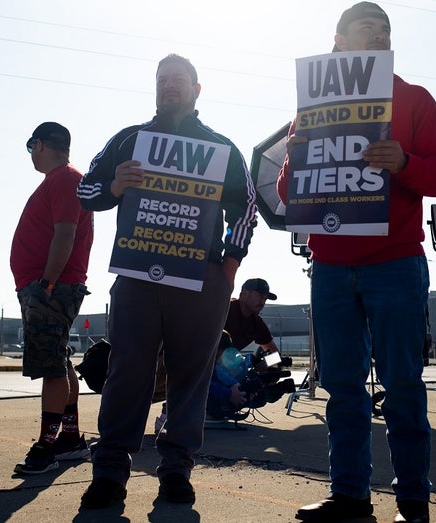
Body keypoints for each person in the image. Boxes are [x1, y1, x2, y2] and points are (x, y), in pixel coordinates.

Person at [277, 4, 436, 522]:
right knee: (343, 388)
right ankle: (349, 495)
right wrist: (298, 152)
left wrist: (403, 161)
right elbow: (290, 192)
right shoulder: (312, 105)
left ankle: (413, 503)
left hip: (396, 262)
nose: (377, 34)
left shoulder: (415, 99)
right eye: (365, 28)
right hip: (330, 265)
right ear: (338, 40)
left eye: (385, 30)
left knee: (403, 385)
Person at [76, 53, 256, 508]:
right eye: (162, 80)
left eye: (178, 80)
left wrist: (230, 262)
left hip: (200, 282)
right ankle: (110, 470)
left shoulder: (221, 148)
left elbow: (247, 208)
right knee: (126, 372)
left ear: (197, 89)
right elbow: (86, 191)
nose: (169, 86)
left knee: (190, 378)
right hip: (137, 278)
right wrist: (115, 187)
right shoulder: (129, 140)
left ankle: (176, 468)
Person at [10, 122, 94, 475]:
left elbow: (65, 233)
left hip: (52, 287)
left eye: (32, 146)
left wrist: (46, 283)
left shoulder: (64, 179)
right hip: (51, 286)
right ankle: (71, 439)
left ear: (40, 144)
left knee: (51, 367)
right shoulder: (62, 179)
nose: (31, 154)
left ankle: (46, 445)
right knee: (58, 361)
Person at [225, 278, 279, 354]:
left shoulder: (256, 323)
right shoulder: (225, 311)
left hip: (226, 363)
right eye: (259, 296)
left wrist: (264, 364)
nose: (262, 302)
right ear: (245, 294)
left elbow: (275, 355)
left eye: (265, 298)